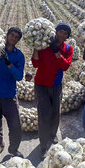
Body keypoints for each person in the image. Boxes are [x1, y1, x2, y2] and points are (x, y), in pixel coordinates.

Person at [32, 22, 74, 158]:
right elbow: (35, 64)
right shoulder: (44, 46)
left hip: (56, 84)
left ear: (67, 37)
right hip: (41, 85)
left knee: (55, 111)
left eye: (65, 33)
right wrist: (36, 47)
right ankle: (43, 145)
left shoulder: (68, 48)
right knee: (43, 114)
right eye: (60, 31)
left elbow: (65, 66)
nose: (62, 35)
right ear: (55, 32)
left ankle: (52, 133)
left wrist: (56, 51)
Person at [0, 27, 25, 159]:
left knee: (14, 124)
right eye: (11, 35)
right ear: (7, 35)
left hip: (8, 95)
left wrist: (9, 64)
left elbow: (19, 76)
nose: (13, 38)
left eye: (16, 37)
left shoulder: (19, 56)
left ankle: (13, 149)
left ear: (18, 40)